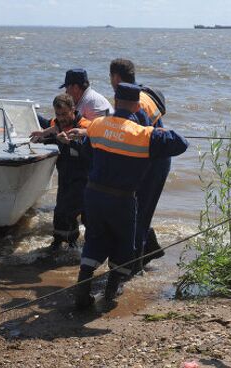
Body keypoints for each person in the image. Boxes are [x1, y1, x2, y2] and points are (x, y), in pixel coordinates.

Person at [69, 83, 188, 309]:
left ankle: (82, 293)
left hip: (93, 195)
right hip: (121, 199)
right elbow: (181, 143)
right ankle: (110, 293)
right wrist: (160, 131)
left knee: (94, 239)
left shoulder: (96, 126)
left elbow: (86, 151)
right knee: (124, 244)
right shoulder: (143, 134)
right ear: (136, 106)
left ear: (114, 101)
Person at [109, 58, 170, 274]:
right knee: (138, 213)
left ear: (116, 77)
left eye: (111, 78)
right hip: (153, 159)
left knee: (137, 214)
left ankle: (133, 267)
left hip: (152, 162)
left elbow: (131, 136)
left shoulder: (134, 101)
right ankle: (146, 252)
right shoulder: (139, 95)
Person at [30, 94, 92, 251]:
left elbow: (91, 150)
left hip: (84, 178)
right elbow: (51, 133)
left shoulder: (85, 126)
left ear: (73, 110)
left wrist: (71, 142)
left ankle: (74, 245)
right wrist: (41, 136)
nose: (61, 118)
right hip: (65, 176)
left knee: (70, 211)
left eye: (64, 114)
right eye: (58, 114)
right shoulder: (56, 124)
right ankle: (60, 242)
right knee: (61, 212)